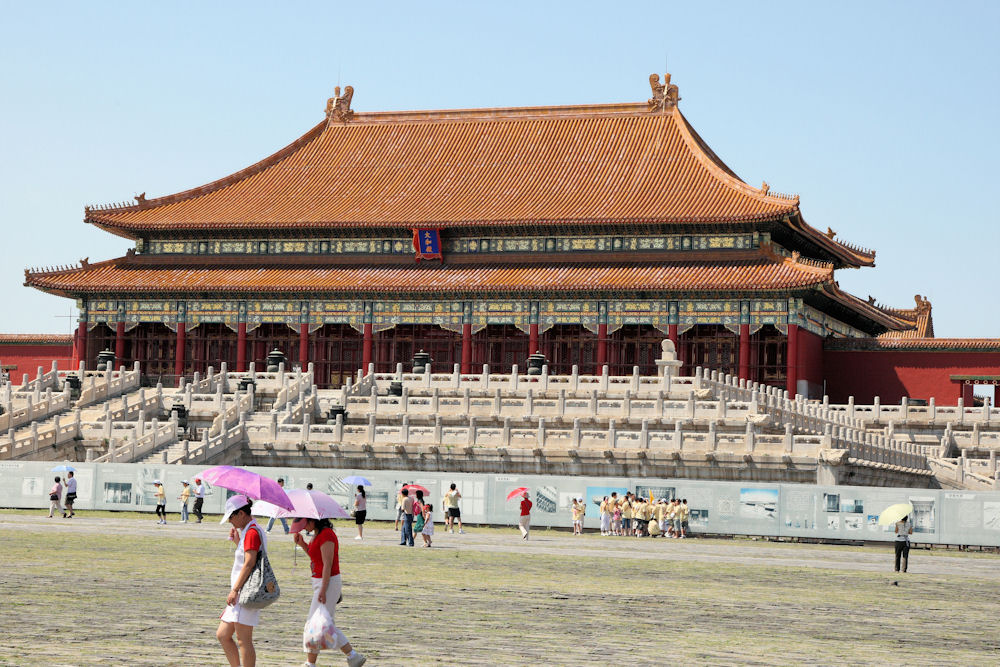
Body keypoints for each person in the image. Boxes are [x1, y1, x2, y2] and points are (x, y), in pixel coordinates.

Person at [292, 516, 366, 667]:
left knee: (315, 623)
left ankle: (310, 663)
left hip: (328, 582)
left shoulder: (326, 535)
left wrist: (323, 589)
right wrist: (303, 544)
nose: (303, 527)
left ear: (313, 521)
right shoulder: (317, 534)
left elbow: (328, 564)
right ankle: (353, 656)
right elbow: (315, 557)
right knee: (324, 625)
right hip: (321, 581)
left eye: (305, 523)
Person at [217, 495, 267, 667]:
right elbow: (247, 557)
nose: (230, 521)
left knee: (243, 640)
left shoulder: (252, 532)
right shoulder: (249, 530)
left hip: (245, 591)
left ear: (241, 514)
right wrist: (238, 541)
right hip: (241, 591)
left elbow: (249, 562)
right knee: (223, 635)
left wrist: (235, 589)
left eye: (231, 516)